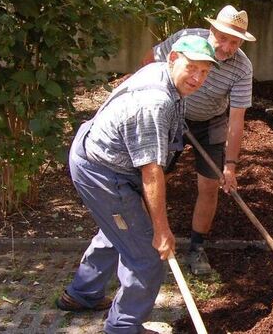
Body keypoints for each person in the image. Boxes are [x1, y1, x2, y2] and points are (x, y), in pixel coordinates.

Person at [56, 36, 218, 334]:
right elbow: (151, 171)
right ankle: (123, 327)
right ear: (173, 59)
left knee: (119, 229)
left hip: (98, 152)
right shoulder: (154, 104)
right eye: (191, 68)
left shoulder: (161, 73)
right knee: (145, 254)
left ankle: (82, 294)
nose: (198, 78)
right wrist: (161, 230)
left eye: (205, 72)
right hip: (103, 171)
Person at [141, 5, 256, 275]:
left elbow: (236, 118)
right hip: (172, 113)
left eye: (235, 41)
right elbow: (150, 61)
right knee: (156, 176)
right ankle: (149, 242)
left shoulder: (242, 67)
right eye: (223, 38)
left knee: (209, 185)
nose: (227, 47)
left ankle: (196, 248)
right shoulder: (186, 40)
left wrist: (230, 164)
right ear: (211, 30)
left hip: (211, 122)